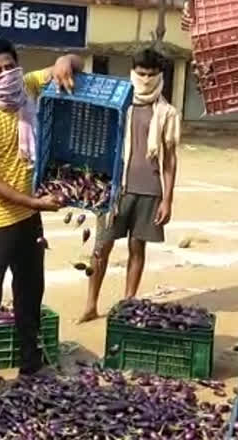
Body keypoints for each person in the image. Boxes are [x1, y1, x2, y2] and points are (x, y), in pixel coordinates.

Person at [0, 37, 82, 395]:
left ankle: (32, 366)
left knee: (30, 293)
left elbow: (71, 63)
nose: (4, 75)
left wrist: (64, 58)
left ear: (18, 65)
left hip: (30, 218)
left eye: (9, 67)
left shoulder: (27, 87)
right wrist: (32, 203)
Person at [78, 48, 180, 323]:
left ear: (160, 76)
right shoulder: (116, 104)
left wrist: (167, 199)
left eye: (151, 74)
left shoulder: (167, 112)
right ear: (133, 72)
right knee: (102, 247)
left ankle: (128, 302)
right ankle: (91, 304)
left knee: (137, 248)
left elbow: (170, 160)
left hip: (149, 189)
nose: (146, 79)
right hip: (114, 189)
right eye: (141, 73)